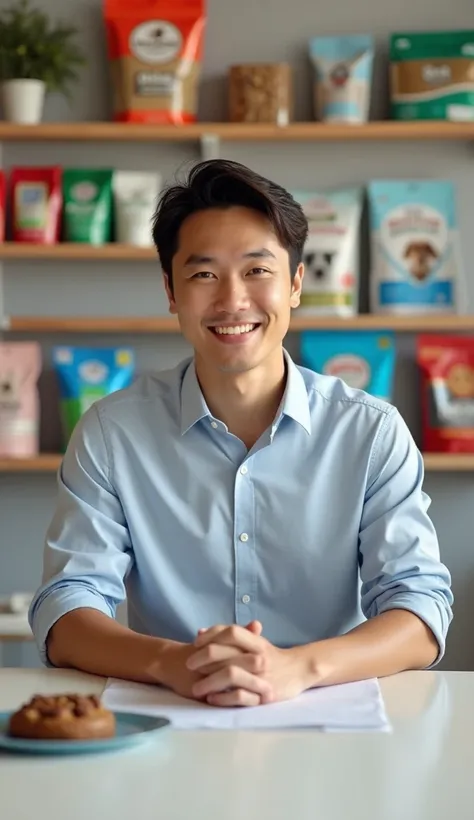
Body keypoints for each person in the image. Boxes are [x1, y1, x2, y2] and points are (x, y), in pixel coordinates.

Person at [29, 160, 453, 708]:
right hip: (170, 716)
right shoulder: (113, 433)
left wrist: (297, 668)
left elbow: (419, 608)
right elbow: (65, 605)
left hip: (333, 723)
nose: (232, 300)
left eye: (257, 271)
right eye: (204, 274)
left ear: (296, 284)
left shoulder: (370, 432)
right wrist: (171, 663)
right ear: (171, 291)